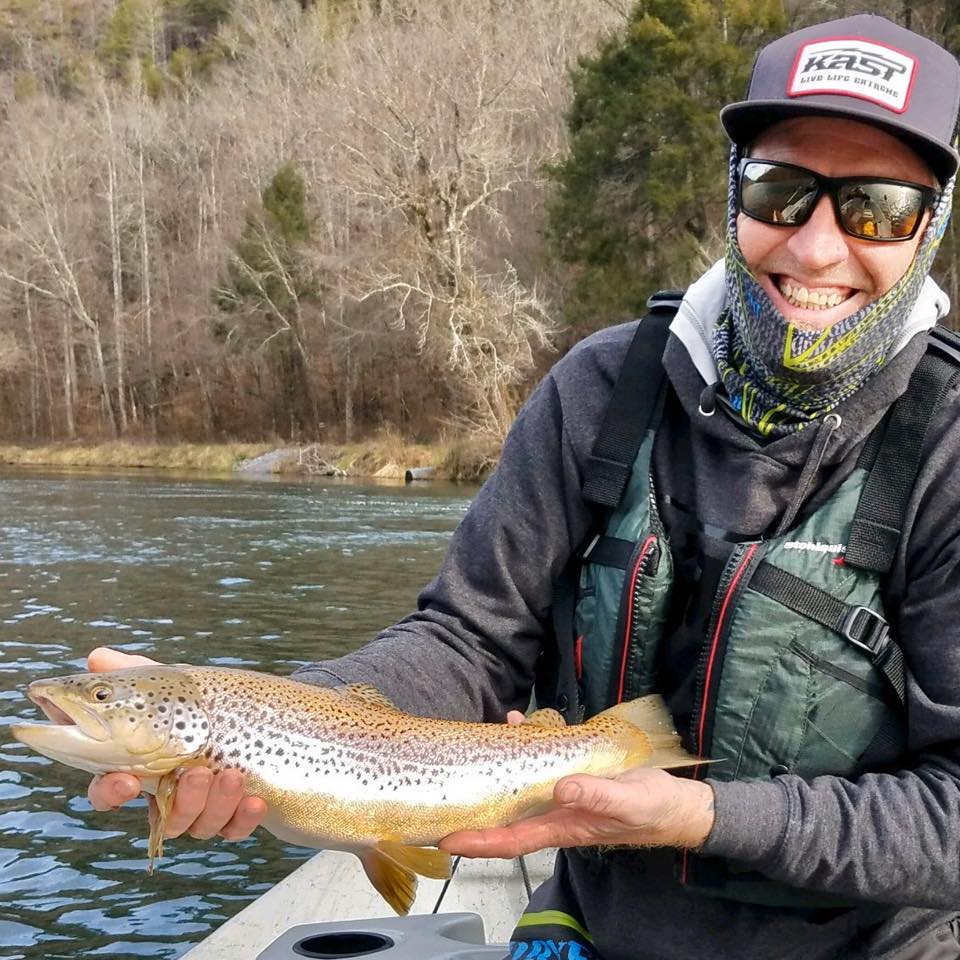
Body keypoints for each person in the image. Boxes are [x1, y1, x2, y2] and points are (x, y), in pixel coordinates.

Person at [88, 14, 960, 960]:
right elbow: (471, 636)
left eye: (877, 206)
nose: (818, 248)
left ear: (930, 226)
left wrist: (705, 815)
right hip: (594, 922)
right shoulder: (600, 388)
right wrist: (268, 722)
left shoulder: (947, 445)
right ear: (734, 196)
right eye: (782, 190)